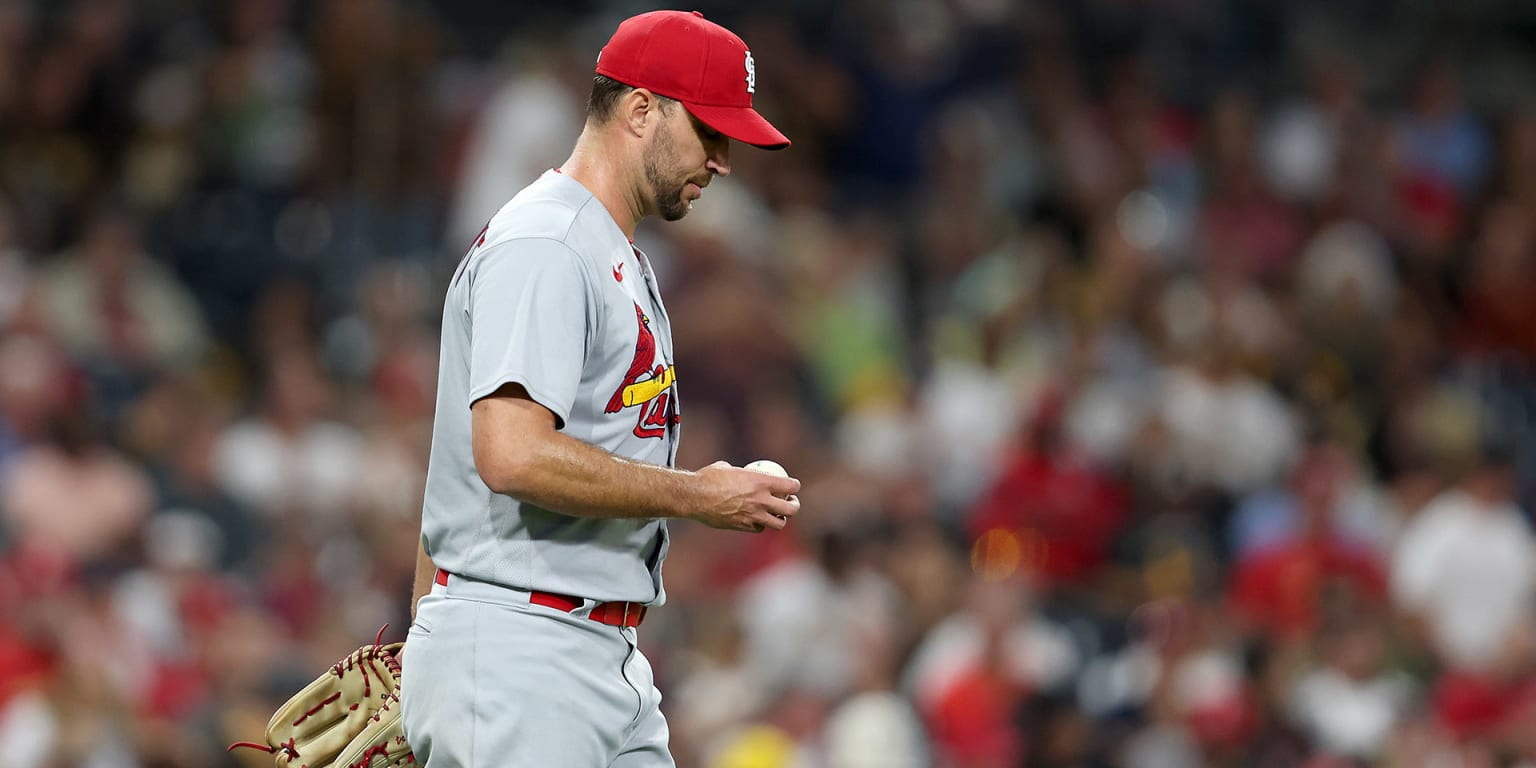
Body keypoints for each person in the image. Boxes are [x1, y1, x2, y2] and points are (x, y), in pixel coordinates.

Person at [399, 11, 801, 768]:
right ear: (641, 109)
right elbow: (509, 456)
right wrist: (698, 495)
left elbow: (453, 458)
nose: (722, 159)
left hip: (590, 654)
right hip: (521, 650)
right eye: (710, 131)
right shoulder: (548, 244)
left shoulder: (604, 247)